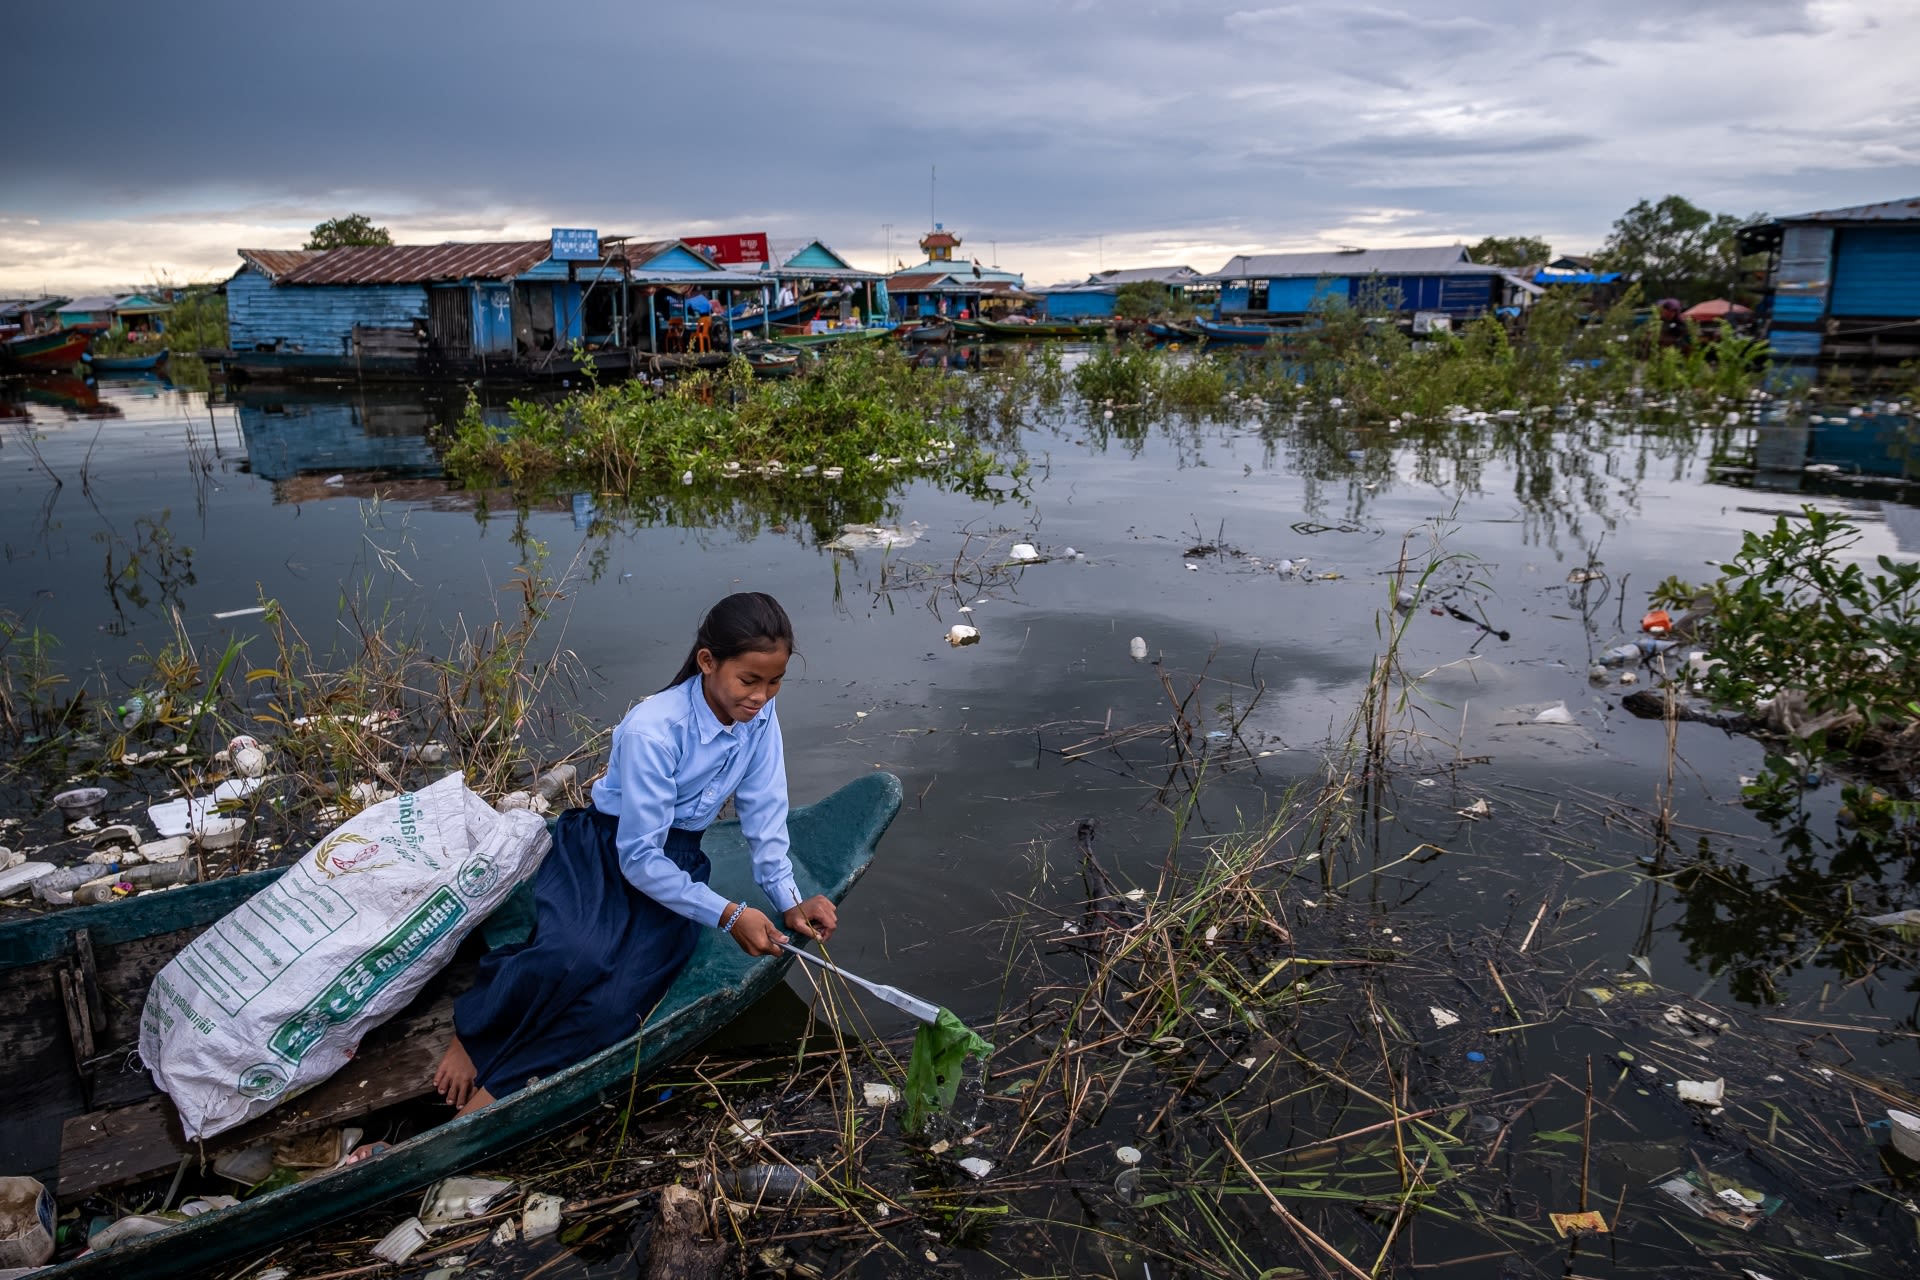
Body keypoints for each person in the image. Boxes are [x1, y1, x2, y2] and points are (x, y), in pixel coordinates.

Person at [433, 593, 838, 1117]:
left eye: (774, 682)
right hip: (605, 850)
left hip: (681, 862)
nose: (761, 696)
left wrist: (788, 898)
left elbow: (763, 810)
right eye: (749, 681)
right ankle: (476, 1030)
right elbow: (639, 858)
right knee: (571, 955)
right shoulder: (655, 729)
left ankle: (500, 1087)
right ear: (708, 662)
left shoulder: (757, 717)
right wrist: (728, 913)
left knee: (615, 1007)